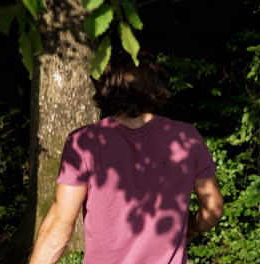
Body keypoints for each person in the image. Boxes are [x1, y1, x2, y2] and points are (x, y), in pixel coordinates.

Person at [29, 51, 224, 264]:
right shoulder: (186, 137)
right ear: (155, 86)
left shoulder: (84, 141)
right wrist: (191, 229)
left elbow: (60, 223)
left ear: (108, 87)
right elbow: (213, 207)